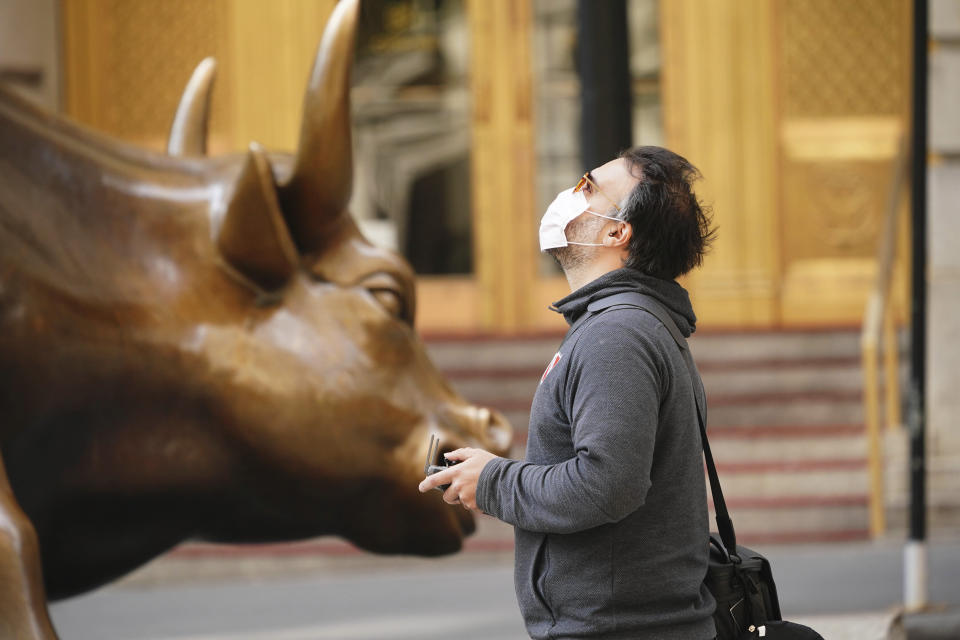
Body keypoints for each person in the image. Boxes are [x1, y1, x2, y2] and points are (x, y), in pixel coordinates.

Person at [419, 146, 717, 640]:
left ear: (616, 232)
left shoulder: (617, 334)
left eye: (588, 187)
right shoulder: (628, 324)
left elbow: (606, 486)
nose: (569, 194)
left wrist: (492, 481)